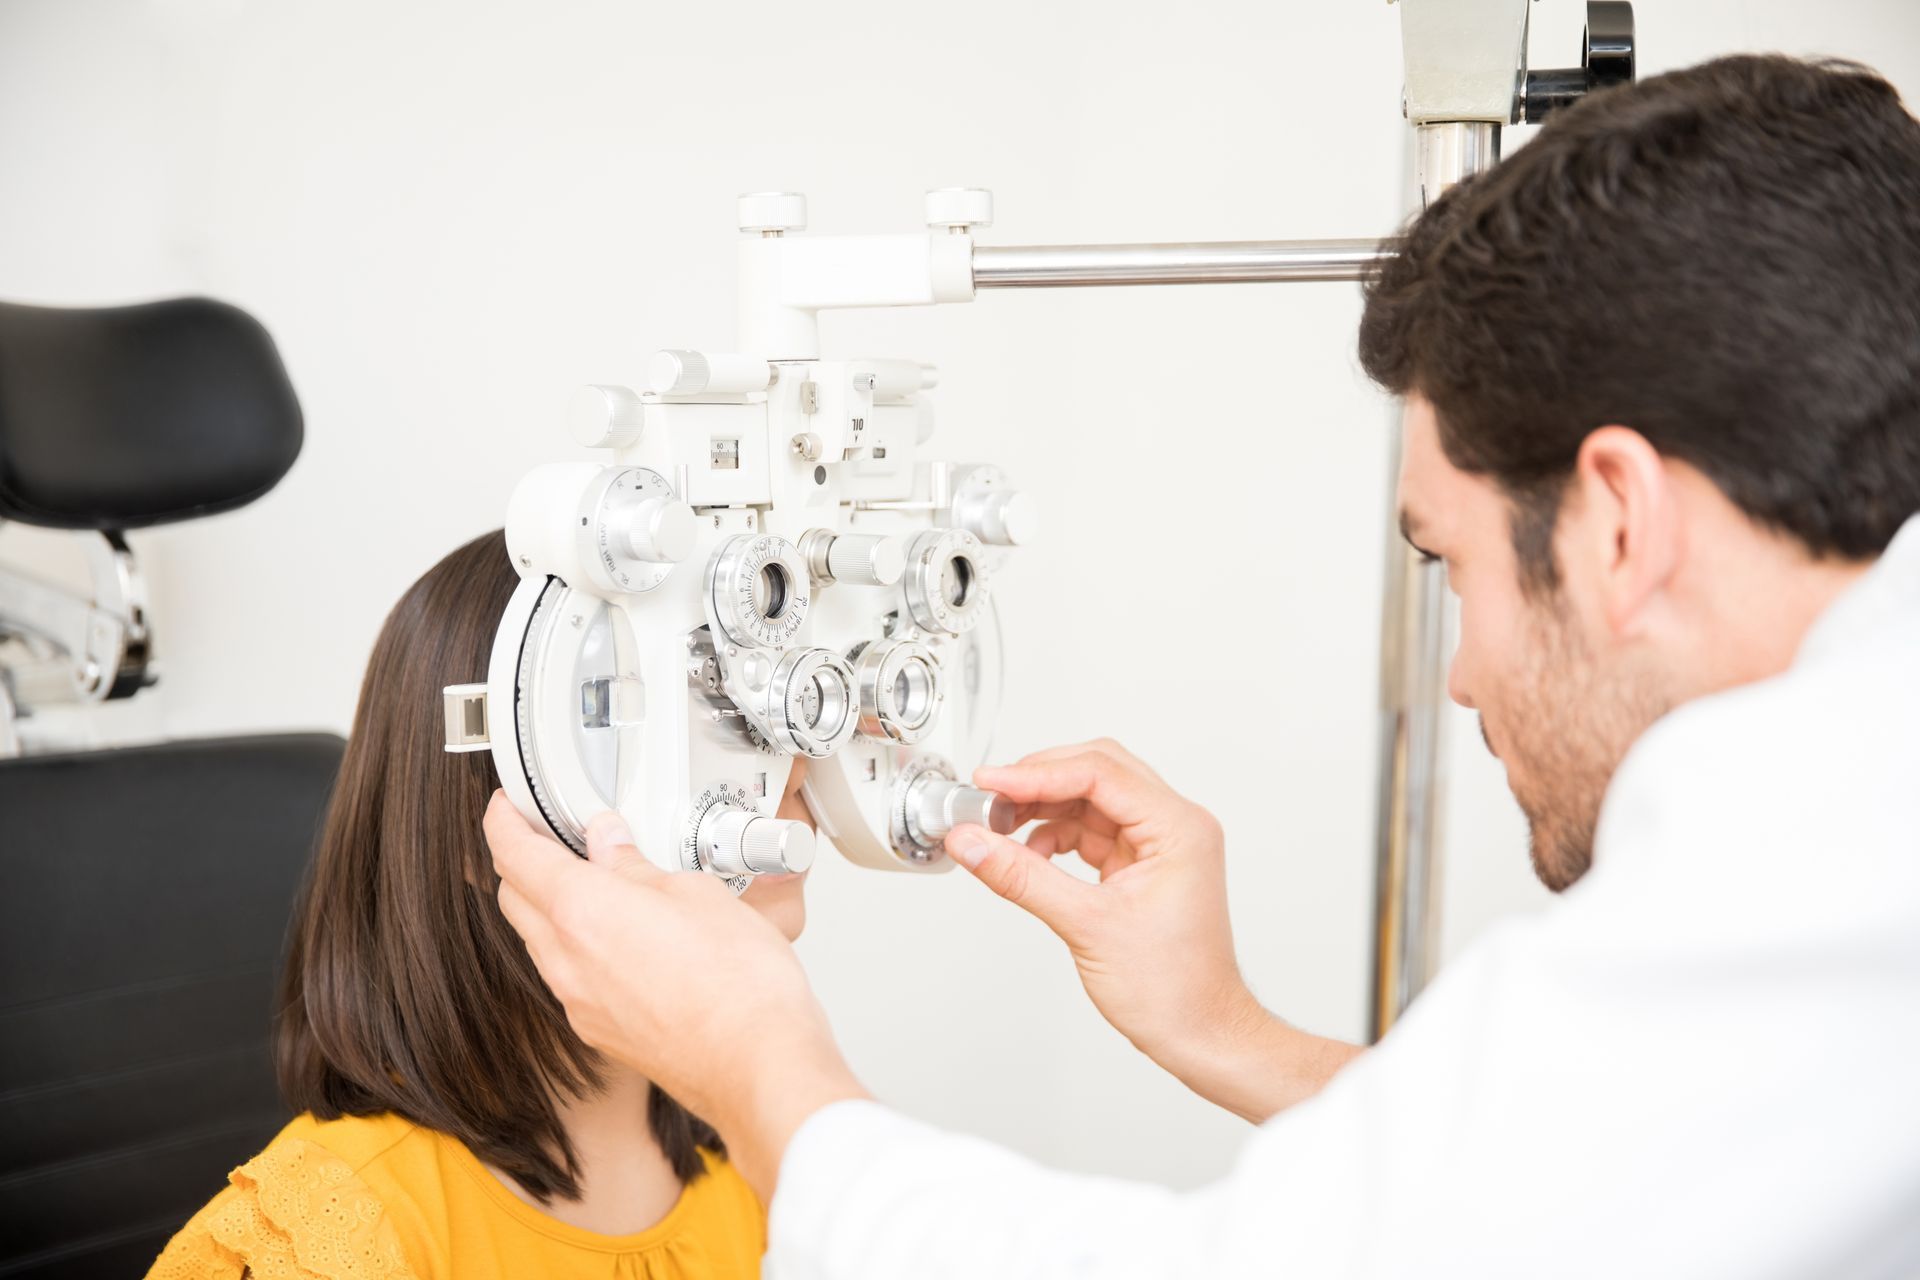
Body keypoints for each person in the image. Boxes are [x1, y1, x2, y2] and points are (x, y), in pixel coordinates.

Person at [487, 54, 1920, 1278]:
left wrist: (755, 1061)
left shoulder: (1825, 848)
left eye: (1452, 567)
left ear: (1619, 523)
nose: (1462, 678)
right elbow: (1593, 1181)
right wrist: (1223, 1027)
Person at [150, 530, 810, 1279]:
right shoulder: (323, 1243)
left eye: (755, 718)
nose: (787, 776)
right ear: (484, 833)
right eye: (686, 733)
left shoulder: (779, 1178)